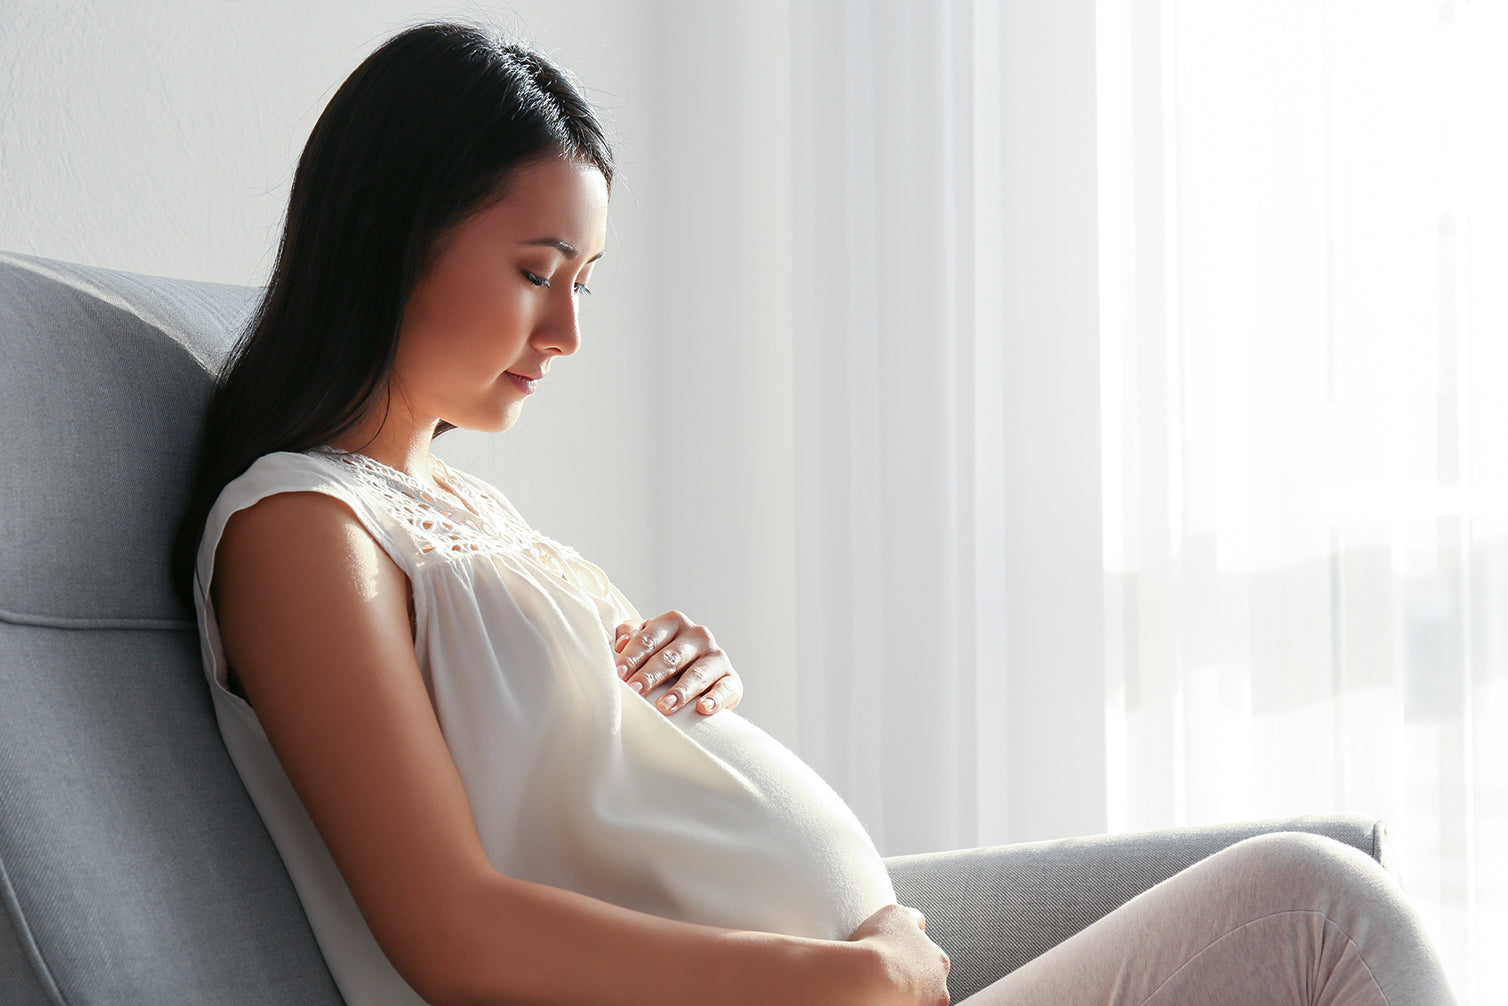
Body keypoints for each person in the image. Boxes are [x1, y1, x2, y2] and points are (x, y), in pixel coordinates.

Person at [173, 21, 1458, 1006]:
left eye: (587, 281)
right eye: (534, 274)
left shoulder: (455, 503)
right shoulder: (301, 526)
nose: (567, 331)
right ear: (391, 234)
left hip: (863, 971)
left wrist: (659, 685)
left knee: (1318, 903)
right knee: (1315, 906)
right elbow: (449, 927)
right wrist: (836, 974)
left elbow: (578, 789)